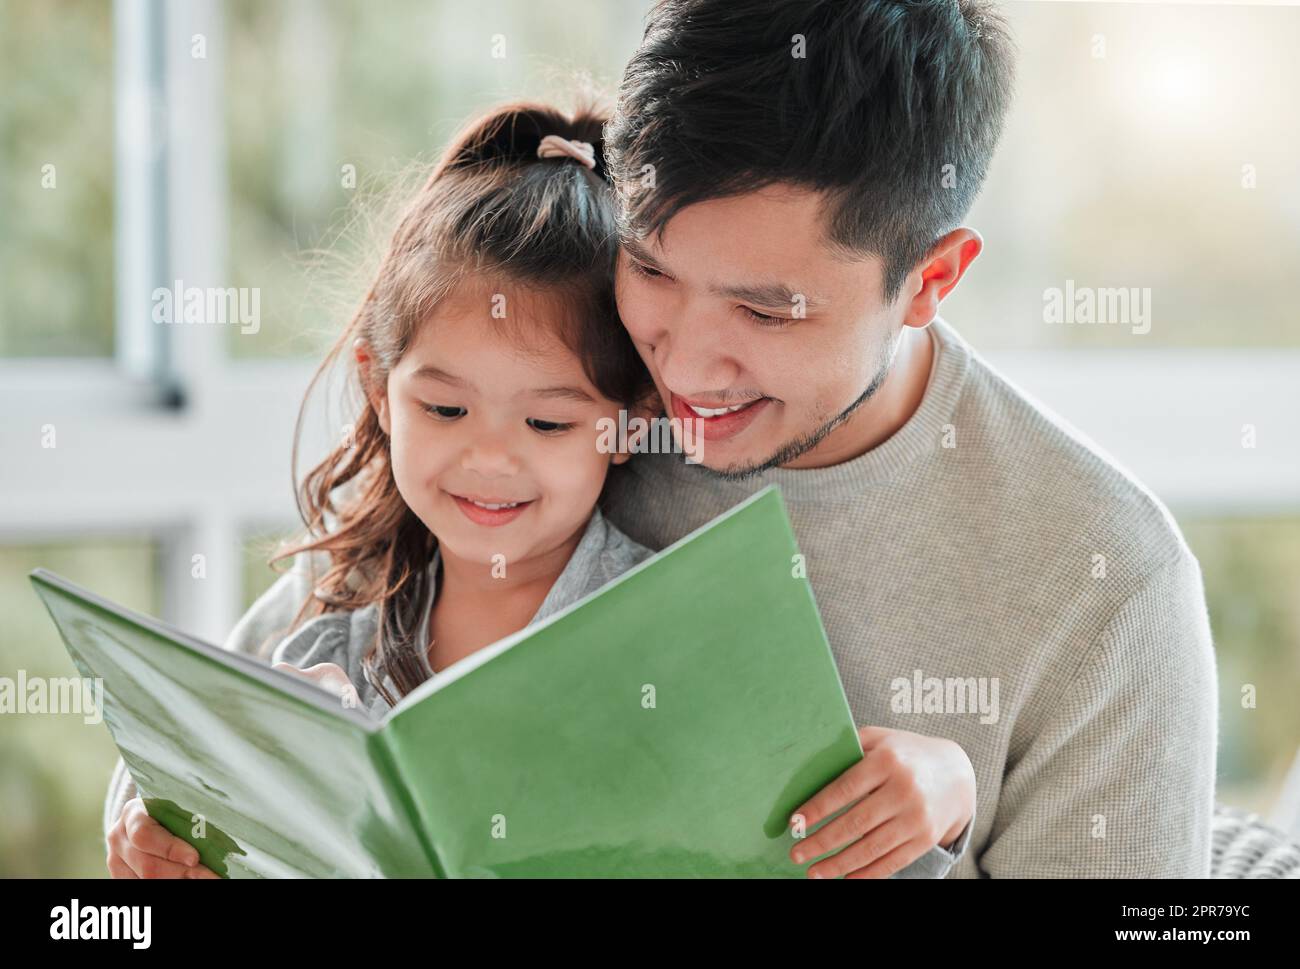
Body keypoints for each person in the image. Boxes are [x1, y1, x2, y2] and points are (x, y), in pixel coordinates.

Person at [597, 0, 1217, 877]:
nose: (687, 368)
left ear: (930, 281)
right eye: (651, 268)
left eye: (767, 310)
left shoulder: (1108, 582)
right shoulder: (556, 394)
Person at [103, 102, 663, 878]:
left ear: (631, 425)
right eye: (444, 409)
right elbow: (167, 749)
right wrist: (154, 825)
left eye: (546, 423)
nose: (490, 459)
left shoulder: (664, 623)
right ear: (377, 390)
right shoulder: (341, 610)